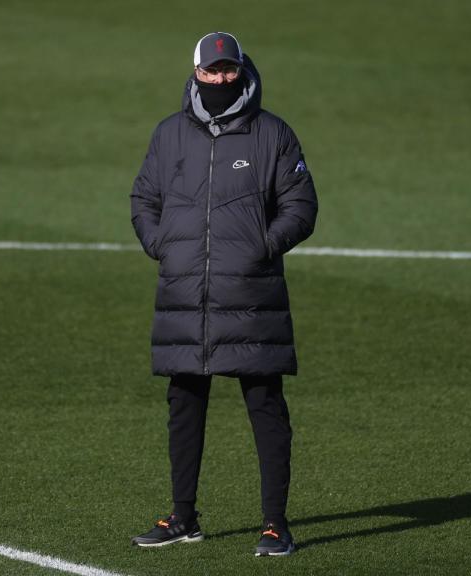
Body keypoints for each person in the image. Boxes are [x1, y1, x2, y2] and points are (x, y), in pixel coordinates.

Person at [128, 32, 318, 557]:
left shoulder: (272, 134)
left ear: (242, 70)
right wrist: (161, 244)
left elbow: (301, 207)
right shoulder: (169, 135)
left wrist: (261, 246)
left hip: (251, 295)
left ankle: (276, 524)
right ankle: (183, 517)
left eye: (228, 70)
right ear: (195, 72)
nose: (219, 79)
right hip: (184, 292)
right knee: (184, 403)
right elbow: (144, 196)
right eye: (211, 71)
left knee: (265, 404)